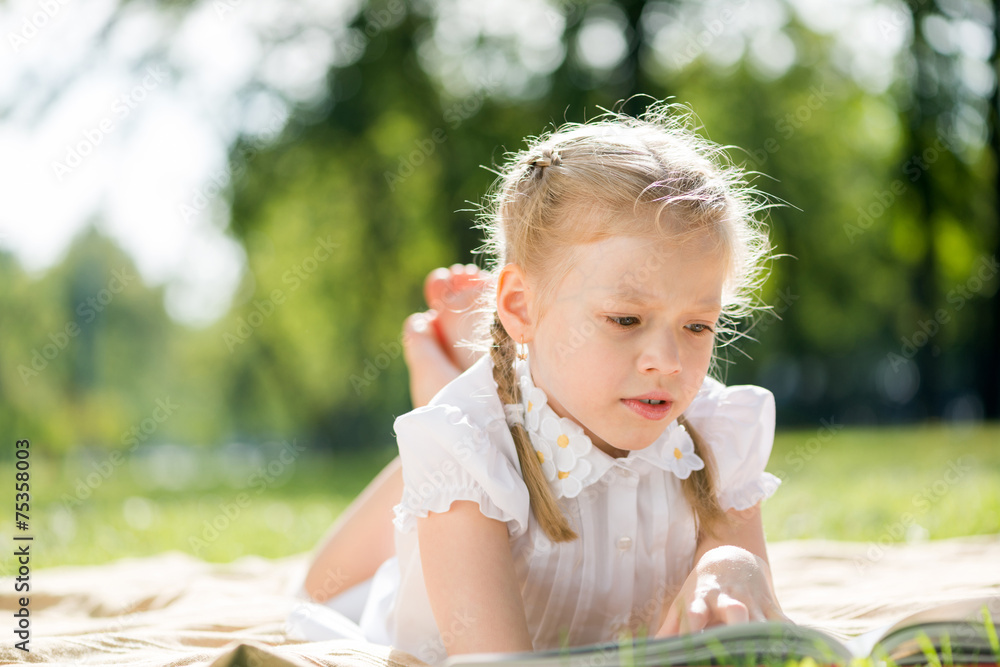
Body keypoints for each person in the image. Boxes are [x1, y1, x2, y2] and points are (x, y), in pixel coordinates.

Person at [288, 101, 788, 664]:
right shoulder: (469, 456)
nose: (669, 362)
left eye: (698, 325)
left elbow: (749, 632)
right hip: (405, 562)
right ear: (522, 306)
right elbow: (494, 659)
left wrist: (734, 568)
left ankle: (475, 377)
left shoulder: (716, 433)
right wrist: (455, 440)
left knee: (477, 435)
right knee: (320, 586)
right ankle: (452, 392)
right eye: (625, 319)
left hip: (506, 419)